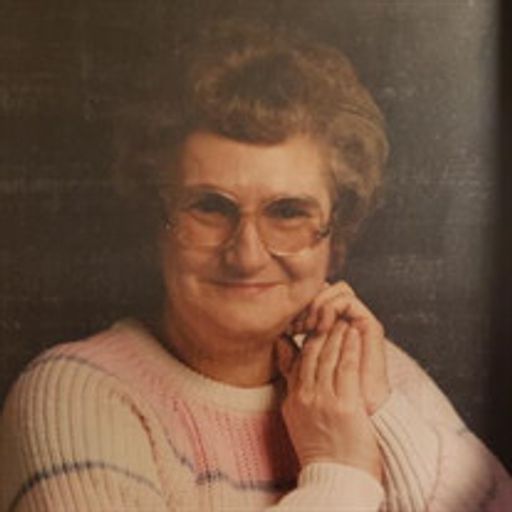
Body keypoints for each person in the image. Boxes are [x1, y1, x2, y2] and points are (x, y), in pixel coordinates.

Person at [1, 20, 510, 512]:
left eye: (288, 213)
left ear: (335, 239)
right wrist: (341, 474)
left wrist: (379, 409)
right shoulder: (75, 394)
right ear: (156, 224)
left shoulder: (372, 368)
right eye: (210, 208)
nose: (246, 255)